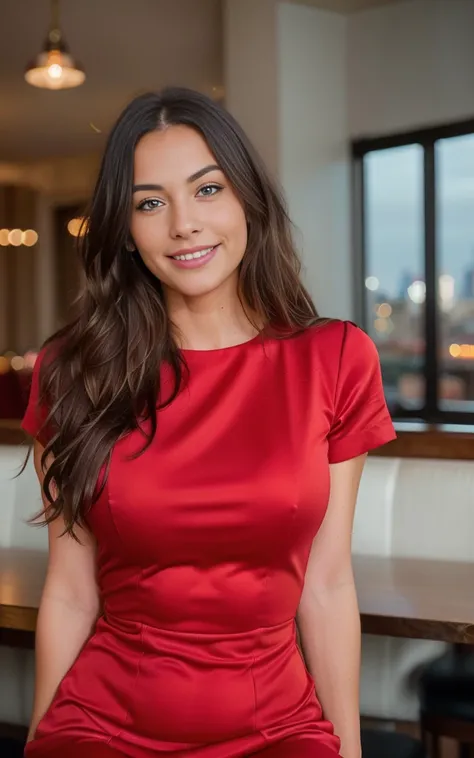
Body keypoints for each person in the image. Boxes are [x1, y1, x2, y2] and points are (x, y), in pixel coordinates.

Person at [21, 87, 396, 758]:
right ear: (126, 231)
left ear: (247, 199)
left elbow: (327, 582)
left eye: (207, 190)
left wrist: (348, 748)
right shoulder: (71, 372)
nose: (183, 225)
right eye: (150, 203)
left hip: (276, 729)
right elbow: (72, 592)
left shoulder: (337, 358)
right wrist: (43, 737)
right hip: (100, 725)